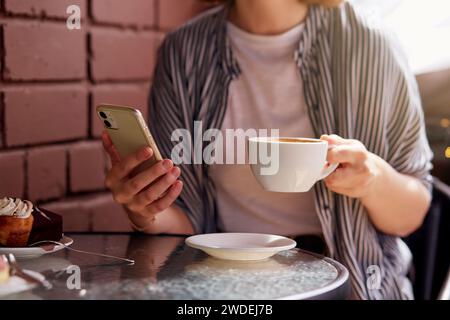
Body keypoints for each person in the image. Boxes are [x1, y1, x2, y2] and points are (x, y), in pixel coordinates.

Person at [101, 0, 433, 299]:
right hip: (223, 286)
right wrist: (145, 211)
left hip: (354, 287)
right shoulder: (184, 51)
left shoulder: (371, 44)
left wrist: (372, 180)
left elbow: (412, 211)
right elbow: (183, 220)